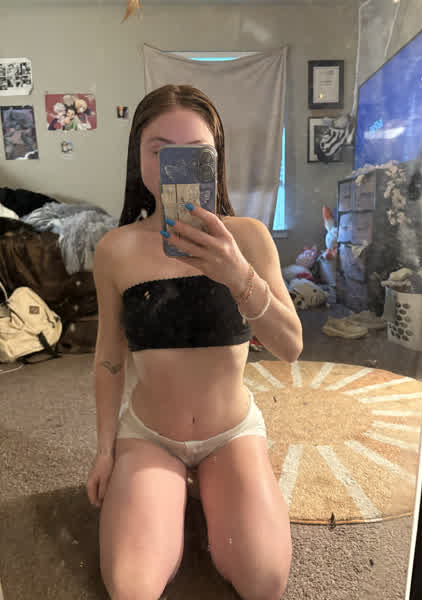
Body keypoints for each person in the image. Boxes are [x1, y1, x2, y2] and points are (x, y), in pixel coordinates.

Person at [86, 84, 303, 600]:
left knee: (264, 580)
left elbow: (291, 346)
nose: (175, 167)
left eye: (195, 154)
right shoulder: (116, 250)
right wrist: (104, 451)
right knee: (131, 589)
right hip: (150, 434)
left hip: (231, 432)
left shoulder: (248, 238)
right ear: (138, 156)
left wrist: (237, 274)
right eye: (160, 151)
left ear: (215, 160)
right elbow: (109, 358)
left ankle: (211, 487)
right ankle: (173, 492)